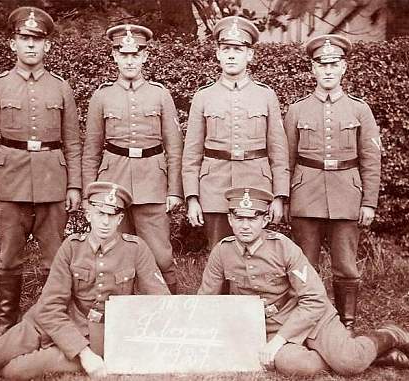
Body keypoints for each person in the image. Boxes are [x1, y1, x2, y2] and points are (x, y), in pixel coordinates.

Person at [198, 187, 409, 376]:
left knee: (350, 363)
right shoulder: (222, 251)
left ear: (265, 219)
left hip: (309, 316)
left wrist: (280, 340)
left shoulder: (283, 247)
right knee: (299, 367)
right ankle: (364, 356)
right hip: (266, 326)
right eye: (239, 218)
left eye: (253, 217)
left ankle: (391, 335)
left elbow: (314, 298)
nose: (245, 225)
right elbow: (205, 300)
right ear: (230, 219)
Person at [0, 182, 170, 379]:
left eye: (112, 215)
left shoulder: (136, 249)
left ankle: (51, 354)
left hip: (94, 336)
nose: (105, 221)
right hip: (48, 323)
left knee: (14, 372)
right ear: (88, 214)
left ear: (120, 218)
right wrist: (84, 356)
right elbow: (49, 306)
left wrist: (117, 343)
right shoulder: (72, 247)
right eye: (100, 213)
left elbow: (161, 302)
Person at [0, 6, 82, 337]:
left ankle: (50, 326)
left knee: (55, 262)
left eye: (37, 39)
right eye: (24, 38)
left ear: (47, 46)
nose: (31, 45)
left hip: (53, 183)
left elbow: (72, 143)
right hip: (10, 185)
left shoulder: (61, 88)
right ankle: (7, 324)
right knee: (9, 260)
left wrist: (74, 186)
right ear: (12, 44)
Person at [283, 34, 382, 330]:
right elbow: (285, 159)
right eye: (321, 64)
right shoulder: (297, 110)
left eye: (334, 64)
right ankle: (308, 323)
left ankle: (346, 325)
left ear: (344, 68)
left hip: (346, 196)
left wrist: (369, 202)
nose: (327, 70)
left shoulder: (359, 110)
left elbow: (371, 159)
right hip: (305, 196)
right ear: (312, 69)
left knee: (346, 267)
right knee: (304, 266)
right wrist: (285, 199)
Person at [82, 24, 183, 294]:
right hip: (112, 183)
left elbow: (174, 147)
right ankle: (118, 316)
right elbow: (91, 149)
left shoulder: (160, 94)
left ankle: (170, 311)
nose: (129, 60)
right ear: (114, 56)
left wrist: (175, 190)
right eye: (122, 54)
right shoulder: (102, 96)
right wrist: (88, 194)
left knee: (161, 256)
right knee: (117, 254)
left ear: (144, 57)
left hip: (152, 183)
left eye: (135, 54)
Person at [182, 16, 289, 251]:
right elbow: (191, 154)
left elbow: (279, 153)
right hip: (214, 189)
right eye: (226, 49)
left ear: (249, 54)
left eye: (238, 49)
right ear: (218, 53)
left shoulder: (266, 95)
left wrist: (280, 196)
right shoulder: (203, 96)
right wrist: (192, 198)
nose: (231, 55)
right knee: (218, 254)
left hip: (257, 185)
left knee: (258, 254)